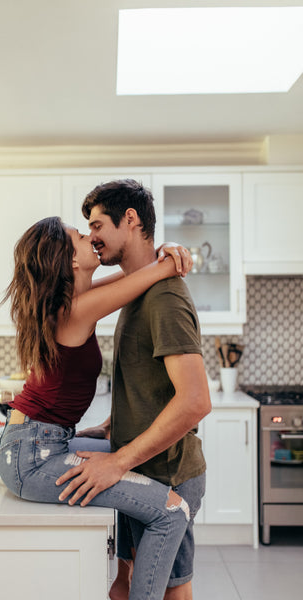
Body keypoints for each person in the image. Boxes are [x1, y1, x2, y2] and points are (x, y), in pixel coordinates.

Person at [0, 215, 194, 600]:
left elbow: (130, 277)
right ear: (69, 260)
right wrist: (174, 256)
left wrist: (162, 256)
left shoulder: (74, 303)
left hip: (35, 442)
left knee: (133, 452)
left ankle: (122, 583)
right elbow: (143, 278)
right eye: (81, 235)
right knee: (172, 513)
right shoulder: (75, 311)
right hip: (33, 456)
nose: (92, 238)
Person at [57, 180, 211, 600]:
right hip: (140, 468)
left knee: (171, 592)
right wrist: (113, 425)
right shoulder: (137, 291)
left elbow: (196, 401)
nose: (92, 237)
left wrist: (117, 462)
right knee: (123, 585)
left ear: (130, 220)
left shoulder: (164, 296)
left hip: (168, 474)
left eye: (97, 224)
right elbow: (150, 382)